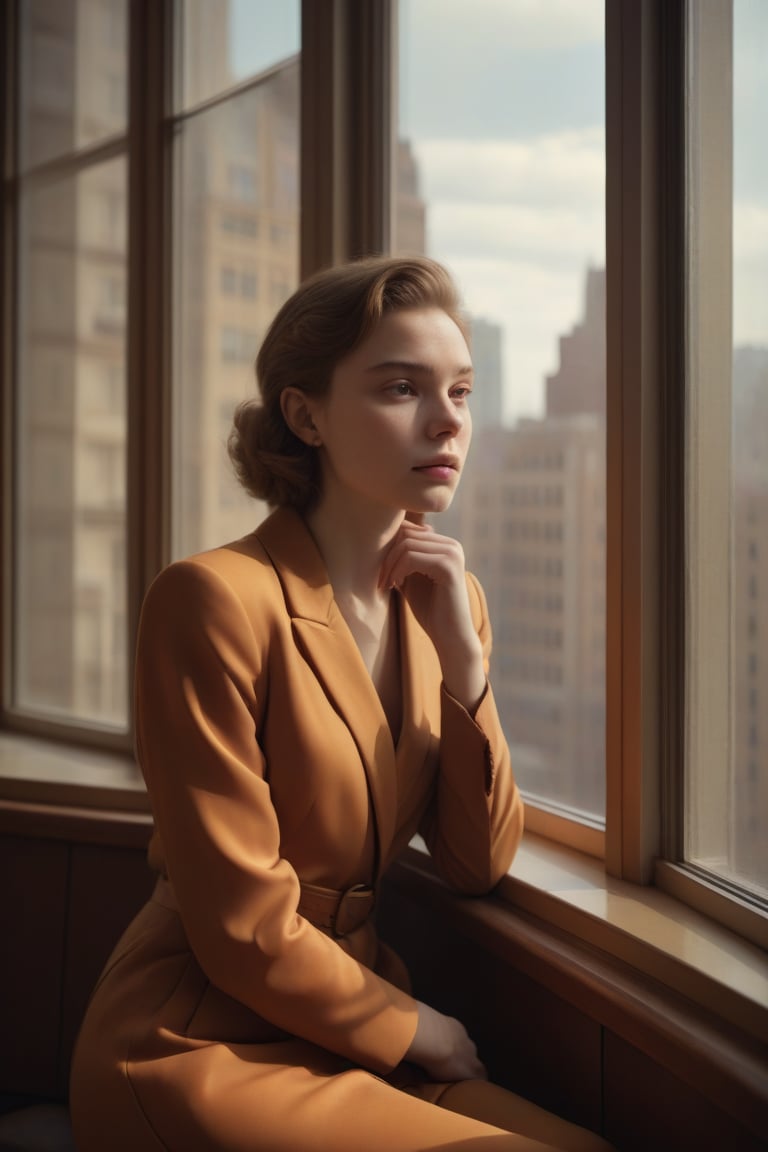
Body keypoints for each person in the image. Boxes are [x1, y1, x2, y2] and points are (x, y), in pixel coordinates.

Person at [70, 256, 613, 1151]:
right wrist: (420, 1028)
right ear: (305, 413)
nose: (447, 422)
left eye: (464, 392)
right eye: (403, 388)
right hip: (198, 1039)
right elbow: (242, 926)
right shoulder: (212, 599)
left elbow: (477, 865)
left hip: (354, 1030)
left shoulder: (452, 603)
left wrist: (465, 668)